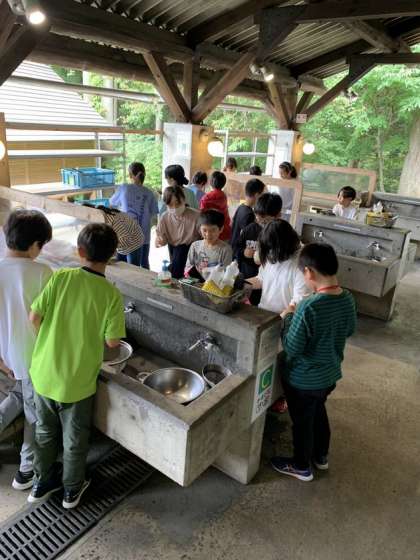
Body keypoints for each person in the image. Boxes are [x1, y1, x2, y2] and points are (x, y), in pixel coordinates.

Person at [28, 223, 125, 509]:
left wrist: (50, 342)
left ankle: (41, 482)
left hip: (44, 373)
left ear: (80, 252)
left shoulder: (61, 277)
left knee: (44, 432)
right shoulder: (111, 294)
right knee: (74, 439)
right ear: (112, 255)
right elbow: (113, 343)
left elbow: (34, 317)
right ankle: (72, 489)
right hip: (77, 383)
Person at [271, 243, 357, 482]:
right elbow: (349, 330)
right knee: (318, 412)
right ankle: (321, 456)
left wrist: (289, 316)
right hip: (329, 375)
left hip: (304, 380)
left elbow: (292, 347)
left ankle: (301, 466)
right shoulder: (348, 298)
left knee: (302, 422)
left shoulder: (309, 306)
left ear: (308, 272)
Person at [0, 210, 52, 491]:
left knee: (20, 397)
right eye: (41, 245)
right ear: (34, 245)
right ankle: (26, 471)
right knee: (34, 413)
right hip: (35, 356)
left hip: (8, 355)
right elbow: (50, 320)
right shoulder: (42, 272)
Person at [248, 219, 309, 315]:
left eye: (271, 249)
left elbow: (298, 302)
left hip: (285, 317)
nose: (270, 252)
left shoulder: (303, 263)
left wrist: (280, 319)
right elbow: (261, 279)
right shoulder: (272, 252)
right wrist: (241, 283)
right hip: (263, 311)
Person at [109, 162, 158, 269]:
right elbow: (154, 215)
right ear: (144, 174)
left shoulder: (124, 188)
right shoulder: (150, 193)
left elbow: (111, 204)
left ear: (130, 175)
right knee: (144, 264)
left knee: (124, 265)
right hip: (144, 234)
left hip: (125, 233)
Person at [156, 186, 201, 279]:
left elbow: (203, 236)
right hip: (174, 249)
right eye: (170, 205)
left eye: (177, 204)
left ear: (184, 200)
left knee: (184, 271)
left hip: (192, 249)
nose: (175, 208)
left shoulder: (196, 215)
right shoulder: (165, 217)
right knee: (178, 267)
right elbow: (161, 238)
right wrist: (160, 241)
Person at [237, 192, 282, 281]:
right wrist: (243, 252)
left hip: (268, 278)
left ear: (278, 215)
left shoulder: (279, 235)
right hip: (246, 274)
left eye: (266, 221)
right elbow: (237, 248)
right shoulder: (249, 229)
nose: (261, 223)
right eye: (258, 219)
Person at [185, 209, 232, 275]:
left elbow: (226, 273)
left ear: (221, 229)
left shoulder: (225, 250)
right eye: (204, 230)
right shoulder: (195, 246)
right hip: (196, 281)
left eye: (213, 230)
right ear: (200, 229)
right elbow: (188, 267)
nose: (208, 234)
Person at [231, 178, 265, 261]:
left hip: (234, 247)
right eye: (262, 194)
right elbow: (248, 239)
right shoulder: (249, 214)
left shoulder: (241, 207)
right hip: (240, 254)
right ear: (257, 195)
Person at [200, 171, 231, 242]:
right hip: (224, 229)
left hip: (211, 232)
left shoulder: (206, 197)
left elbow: (202, 215)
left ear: (210, 182)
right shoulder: (223, 195)